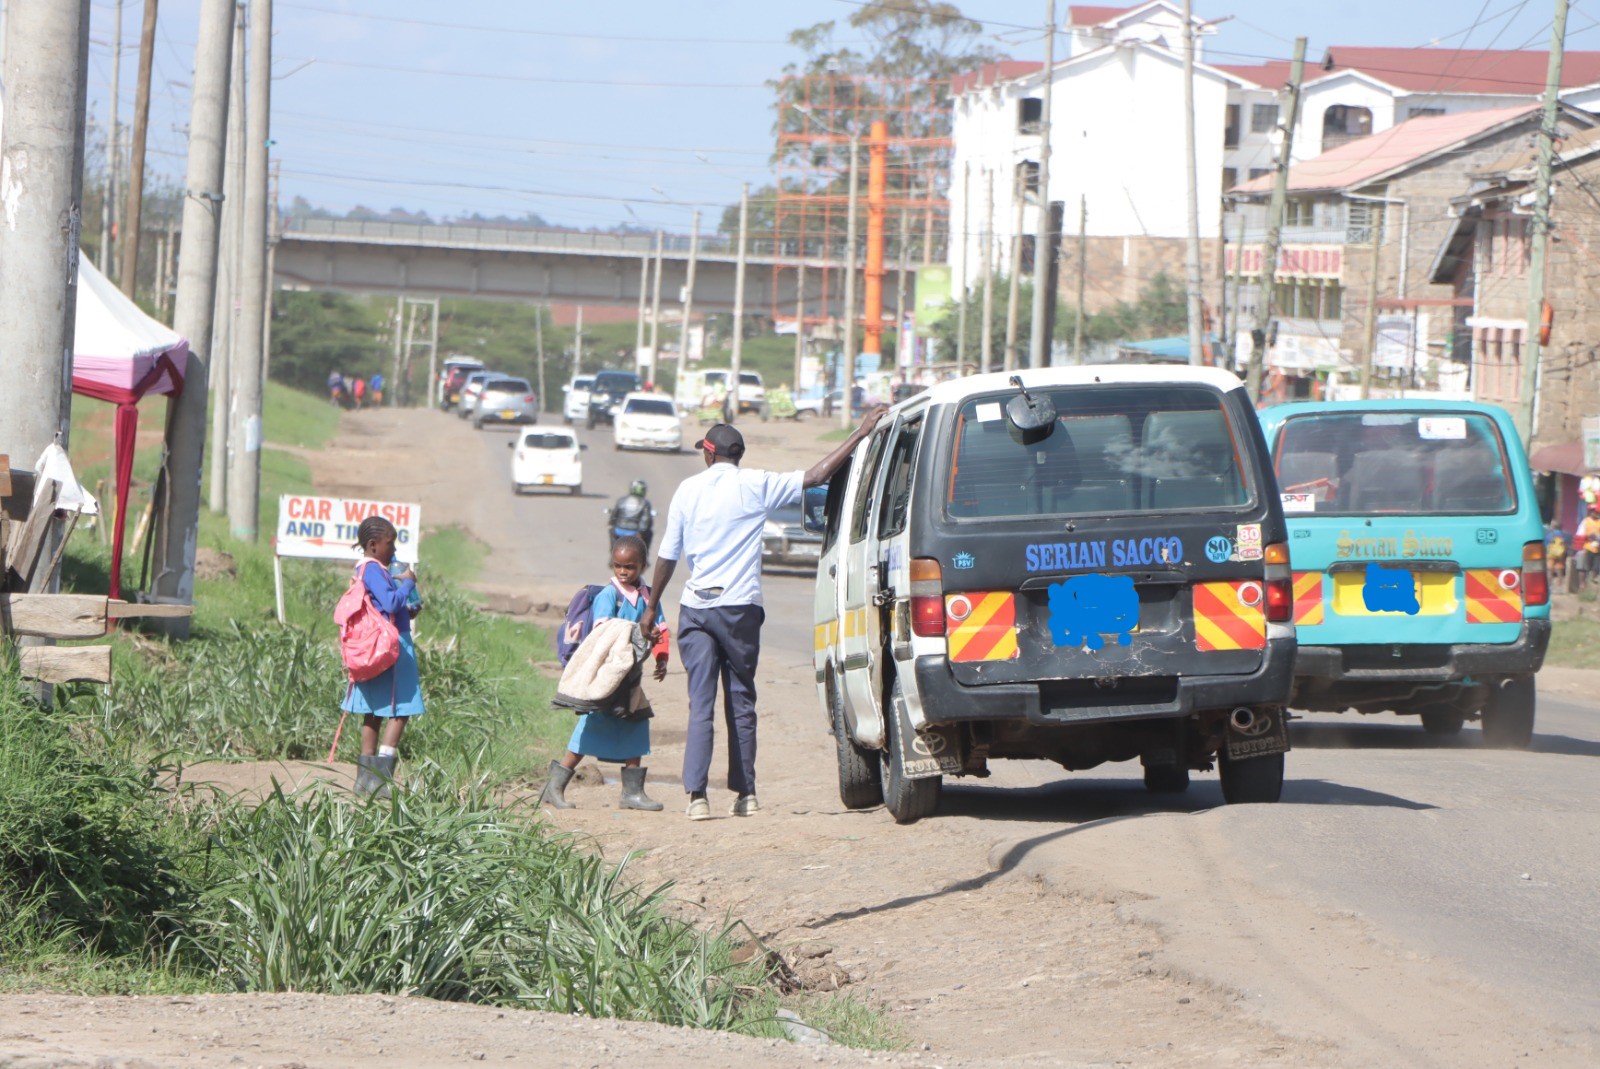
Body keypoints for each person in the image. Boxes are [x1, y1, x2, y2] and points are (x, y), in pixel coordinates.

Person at [643, 412, 887, 820]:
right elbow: (815, 475)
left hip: (697, 611)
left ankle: (697, 797)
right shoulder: (756, 484)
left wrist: (652, 607)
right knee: (741, 701)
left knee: (700, 704)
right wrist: (860, 433)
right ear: (738, 455)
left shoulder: (687, 490)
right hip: (740, 609)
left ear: (708, 453)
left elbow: (667, 556)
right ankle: (746, 795)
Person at [540, 535, 669, 811]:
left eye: (630, 567)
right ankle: (554, 785)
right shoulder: (610, 594)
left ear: (644, 566)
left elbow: (662, 628)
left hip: (631, 677)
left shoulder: (649, 597)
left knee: (636, 724)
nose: (623, 572)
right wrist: (639, 632)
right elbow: (604, 631)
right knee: (588, 729)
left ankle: (632, 793)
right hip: (607, 678)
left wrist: (662, 656)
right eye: (618, 565)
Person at [346, 516, 425, 797]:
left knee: (374, 712)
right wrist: (408, 584)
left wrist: (407, 608)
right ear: (373, 545)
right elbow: (391, 602)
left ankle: (364, 780)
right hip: (392, 646)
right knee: (402, 709)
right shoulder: (373, 570)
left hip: (376, 646)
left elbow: (386, 606)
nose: (393, 550)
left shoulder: (367, 569)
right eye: (390, 544)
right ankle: (380, 780)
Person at [609, 480, 655, 549]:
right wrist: (641, 533)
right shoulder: (645, 503)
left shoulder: (621, 500)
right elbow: (645, 521)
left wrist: (611, 523)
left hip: (619, 531)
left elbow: (614, 516)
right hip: (635, 532)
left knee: (611, 530)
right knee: (650, 533)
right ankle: (644, 553)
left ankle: (613, 551)